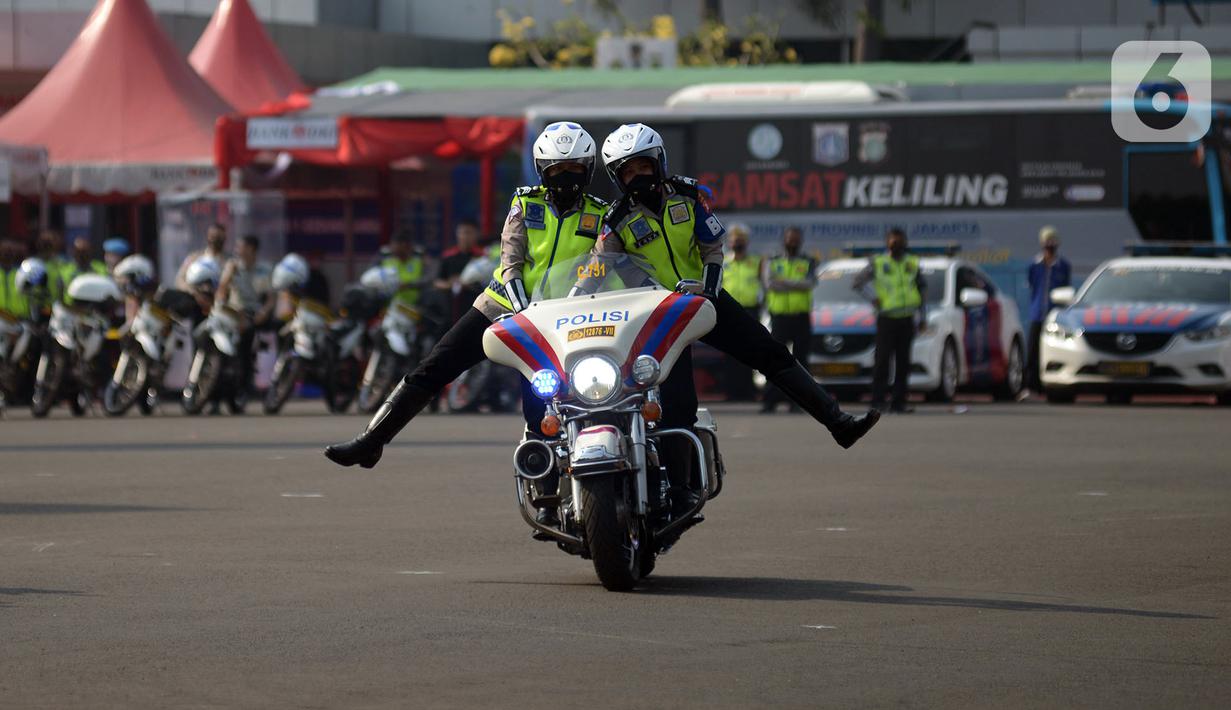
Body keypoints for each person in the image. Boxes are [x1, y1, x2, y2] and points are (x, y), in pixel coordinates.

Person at [325, 121, 610, 484]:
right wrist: (520, 302)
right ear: (542, 170)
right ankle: (373, 439)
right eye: (557, 169)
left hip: (562, 318)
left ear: (588, 170)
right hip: (504, 304)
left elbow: (601, 266)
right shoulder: (525, 202)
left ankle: (559, 480)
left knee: (558, 396)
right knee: (435, 366)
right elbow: (511, 259)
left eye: (574, 169)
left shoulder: (602, 215)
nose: (565, 177)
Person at [596, 123, 878, 448]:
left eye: (645, 165)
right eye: (629, 171)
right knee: (678, 404)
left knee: (771, 352)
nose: (639, 175)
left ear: (659, 162)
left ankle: (839, 422)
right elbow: (604, 264)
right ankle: (678, 483)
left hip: (703, 296)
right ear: (618, 177)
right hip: (658, 314)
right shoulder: (615, 221)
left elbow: (712, 247)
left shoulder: (689, 196)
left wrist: (708, 288)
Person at [853, 228, 926, 414]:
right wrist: (872, 298)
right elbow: (857, 282)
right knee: (882, 362)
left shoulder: (912, 262)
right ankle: (877, 401)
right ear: (887, 243)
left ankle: (899, 403)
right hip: (886, 319)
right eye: (893, 240)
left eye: (899, 240)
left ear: (905, 242)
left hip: (907, 318)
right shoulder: (878, 262)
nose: (896, 244)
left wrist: (923, 316)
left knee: (903, 363)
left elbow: (922, 289)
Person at [761, 226, 817, 413]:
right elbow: (770, 284)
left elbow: (809, 283)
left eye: (796, 239)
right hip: (780, 317)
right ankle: (770, 402)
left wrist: (783, 281)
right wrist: (795, 284)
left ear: (800, 241)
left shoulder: (809, 261)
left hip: (801, 317)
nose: (792, 242)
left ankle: (799, 403)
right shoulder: (773, 261)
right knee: (774, 359)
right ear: (784, 240)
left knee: (801, 362)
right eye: (790, 238)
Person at [217, 235, 274, 395]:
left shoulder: (265, 269)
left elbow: (270, 299)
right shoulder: (233, 266)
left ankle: (244, 386)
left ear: (251, 249)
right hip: (233, 312)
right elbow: (222, 289)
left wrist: (263, 313)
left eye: (240, 246)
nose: (237, 250)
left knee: (245, 346)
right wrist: (220, 303)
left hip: (252, 314)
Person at [1026, 226, 1071, 395]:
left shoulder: (1063, 266)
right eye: (1047, 242)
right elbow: (1032, 286)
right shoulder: (1034, 266)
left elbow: (1065, 288)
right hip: (1037, 314)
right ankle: (1031, 385)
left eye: (1053, 241)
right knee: (1033, 350)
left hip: (1055, 315)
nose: (1050, 245)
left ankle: (1051, 384)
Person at [721, 224, 762, 400]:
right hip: (728, 310)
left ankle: (749, 391)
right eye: (734, 240)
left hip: (750, 310)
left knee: (750, 351)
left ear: (746, 242)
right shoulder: (724, 262)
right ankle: (732, 392)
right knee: (730, 353)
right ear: (729, 242)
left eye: (741, 240)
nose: (737, 243)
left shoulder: (757, 262)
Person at [382, 231, 431, 308]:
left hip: (413, 307)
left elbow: (428, 279)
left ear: (405, 246)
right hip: (388, 306)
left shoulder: (419, 259)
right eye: (392, 245)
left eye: (397, 247)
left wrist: (409, 284)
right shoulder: (385, 259)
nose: (393, 249)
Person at [175, 223, 229, 292]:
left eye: (218, 237)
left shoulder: (228, 262)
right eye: (212, 236)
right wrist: (193, 292)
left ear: (224, 239)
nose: (214, 240)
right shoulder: (194, 257)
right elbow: (179, 280)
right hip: (191, 296)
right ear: (208, 236)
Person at [60, 237, 108, 304]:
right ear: (73, 252)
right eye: (79, 252)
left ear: (90, 251)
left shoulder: (100, 268)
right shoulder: (64, 270)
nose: (82, 255)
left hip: (95, 308)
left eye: (85, 251)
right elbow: (60, 295)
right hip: (72, 309)